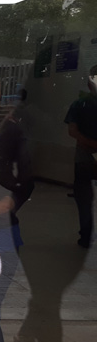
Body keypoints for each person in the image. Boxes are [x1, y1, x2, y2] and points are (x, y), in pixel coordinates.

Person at [64, 64, 97, 248]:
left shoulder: (80, 104)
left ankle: (85, 236)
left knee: (84, 200)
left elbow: (72, 131)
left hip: (84, 157)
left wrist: (89, 143)